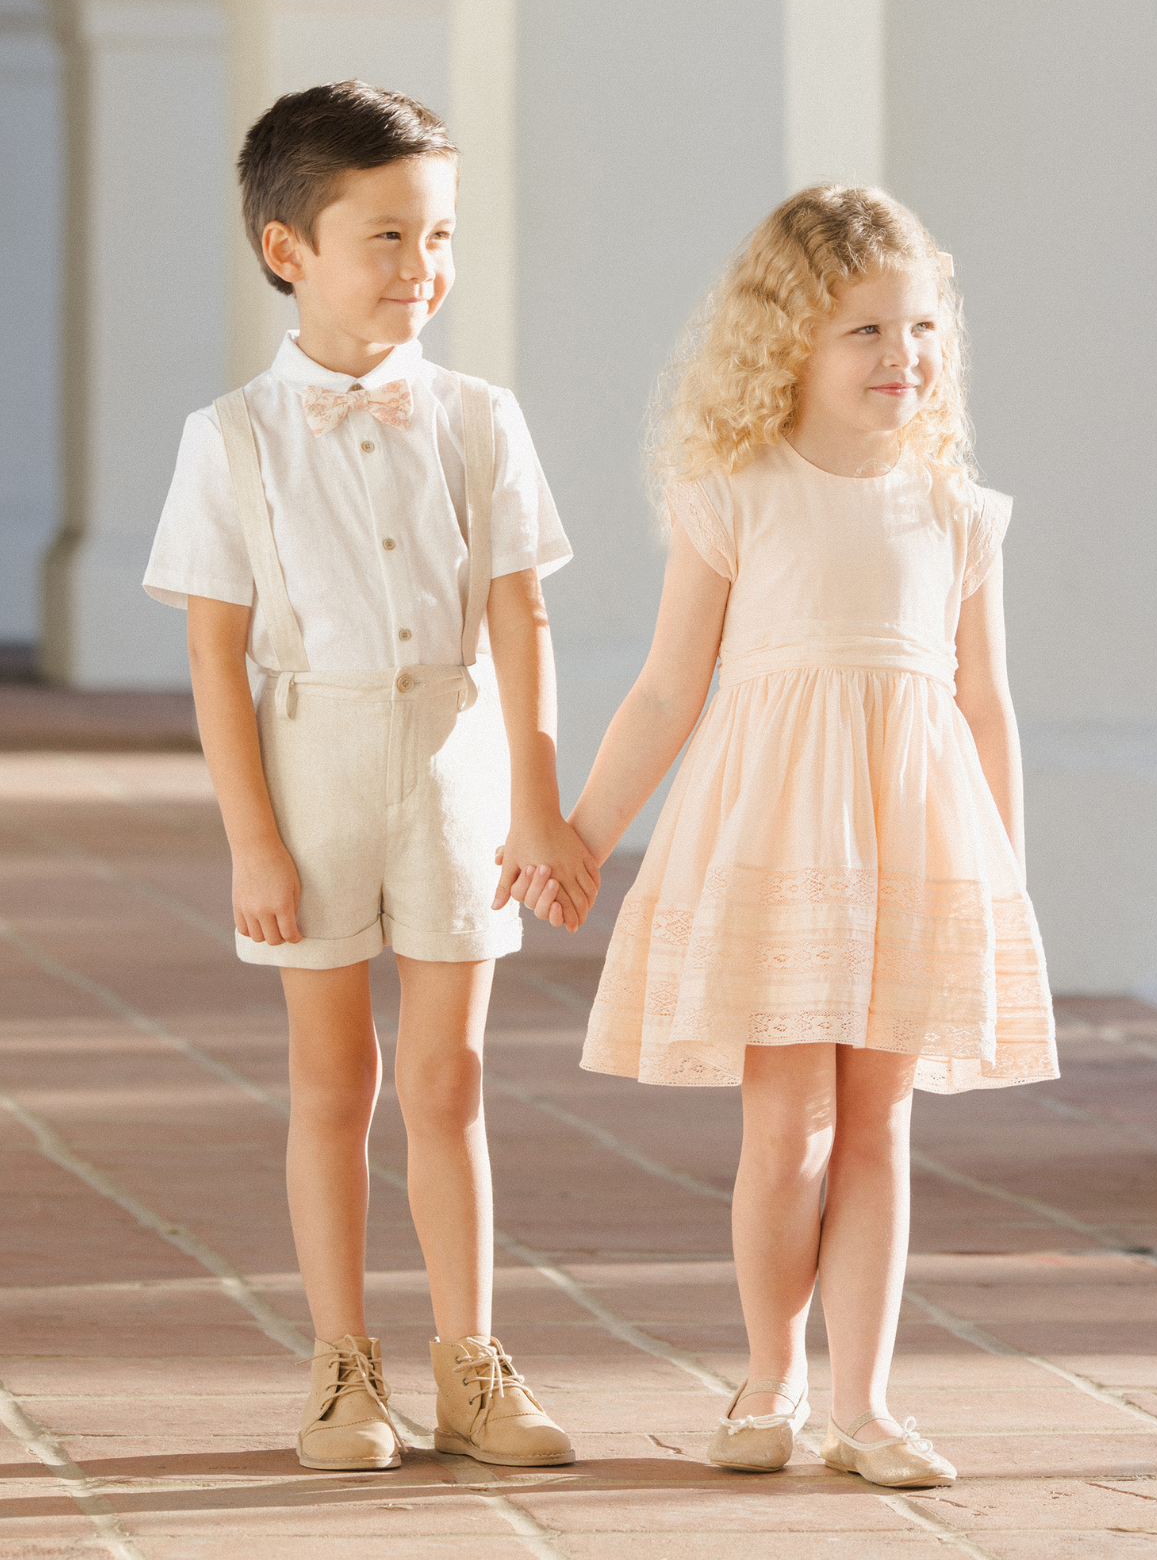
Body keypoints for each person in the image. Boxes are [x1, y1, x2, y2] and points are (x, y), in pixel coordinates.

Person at [520, 185, 1057, 1486]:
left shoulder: (956, 513)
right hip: (774, 838)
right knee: (786, 1130)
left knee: (878, 1125)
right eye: (863, 330)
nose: (901, 357)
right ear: (786, 344)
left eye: (919, 327)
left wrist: (1003, 880)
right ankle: (768, 1381)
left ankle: (865, 1407)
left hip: (917, 839)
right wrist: (580, 834)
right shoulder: (734, 497)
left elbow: (982, 704)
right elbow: (664, 690)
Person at [143, 80, 598, 1473]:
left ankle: (474, 1360)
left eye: (440, 236)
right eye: (388, 238)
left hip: (455, 757)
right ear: (291, 249)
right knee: (331, 1077)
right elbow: (218, 661)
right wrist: (252, 842)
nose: (423, 269)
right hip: (313, 758)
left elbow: (520, 617)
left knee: (448, 1077)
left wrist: (538, 800)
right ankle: (344, 1367)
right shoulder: (230, 438)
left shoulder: (478, 417)